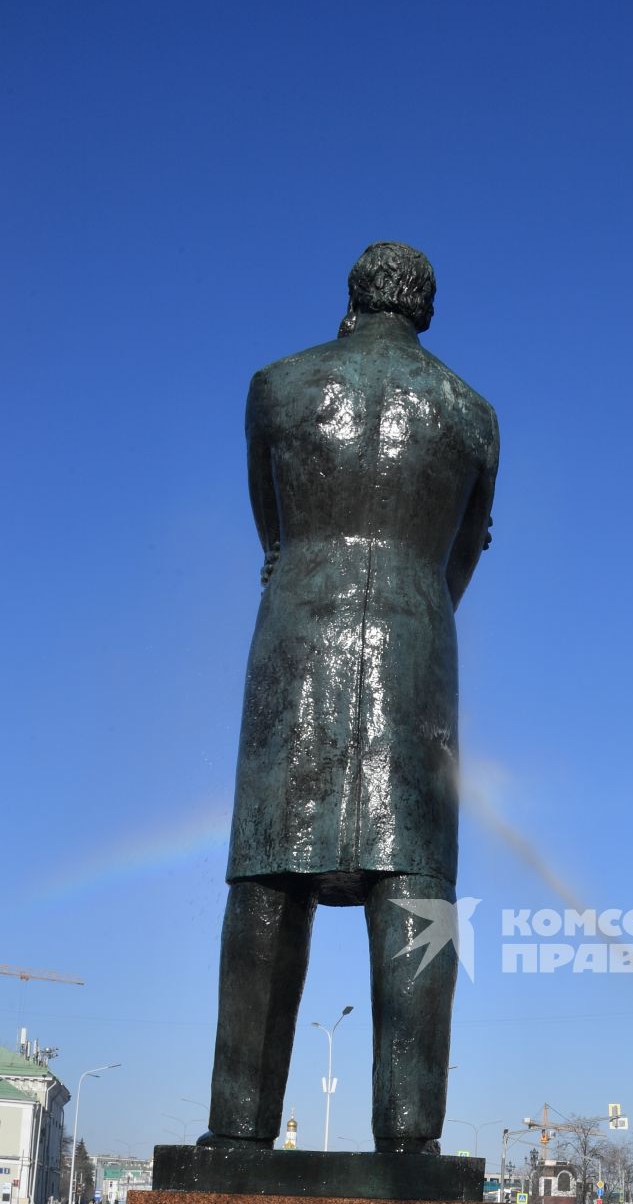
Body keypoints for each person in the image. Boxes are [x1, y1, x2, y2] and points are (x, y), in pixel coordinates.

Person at [201, 242, 499, 1154]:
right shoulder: (473, 415)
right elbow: (464, 552)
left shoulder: (276, 386)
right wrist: (412, 599)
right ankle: (411, 1138)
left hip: (298, 629)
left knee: (266, 881)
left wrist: (314, 574)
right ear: (428, 309)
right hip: (419, 642)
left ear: (351, 297)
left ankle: (237, 1129)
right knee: (417, 892)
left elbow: (273, 524)